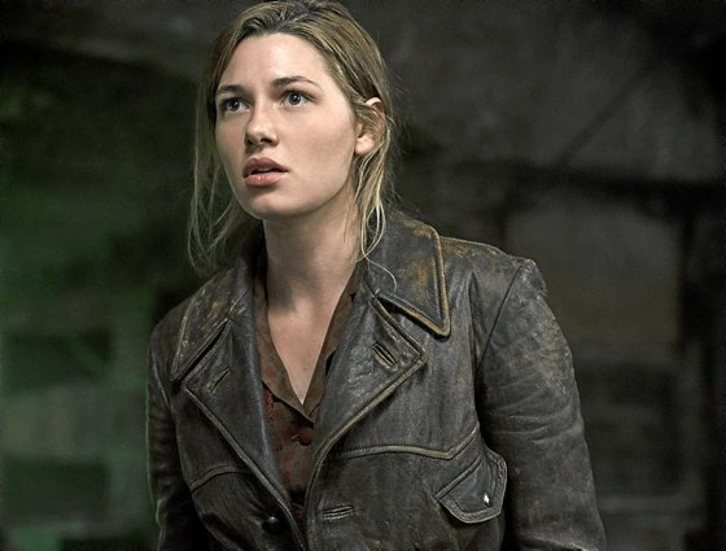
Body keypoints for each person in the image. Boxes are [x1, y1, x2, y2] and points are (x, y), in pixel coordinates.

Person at [146, 1, 606, 549]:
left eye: (293, 97)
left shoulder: (487, 298)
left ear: (366, 127)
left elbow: (561, 537)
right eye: (234, 104)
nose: (257, 129)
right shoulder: (182, 345)